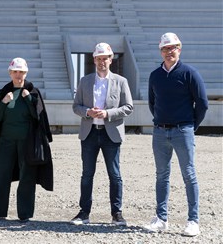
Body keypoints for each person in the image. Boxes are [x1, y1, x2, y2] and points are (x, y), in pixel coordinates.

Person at [146, 32, 208, 237]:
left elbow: (202, 104)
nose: (169, 51)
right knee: (161, 175)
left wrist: (190, 126)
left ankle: (193, 220)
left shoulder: (190, 73)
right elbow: (152, 103)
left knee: (189, 175)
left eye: (172, 47)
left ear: (179, 49)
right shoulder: (155, 75)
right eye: (165, 48)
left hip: (183, 130)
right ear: (160, 51)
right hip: (160, 132)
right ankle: (161, 218)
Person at [0, 58, 53, 223]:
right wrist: (4, 103)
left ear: (26, 73)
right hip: (6, 141)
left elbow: (38, 117)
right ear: (10, 73)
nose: (19, 75)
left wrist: (28, 100)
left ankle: (24, 213)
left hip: (27, 142)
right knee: (0, 174)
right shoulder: (4, 92)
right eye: (16, 72)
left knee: (27, 176)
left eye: (22, 72)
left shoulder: (33, 92)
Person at [70, 43, 133, 226]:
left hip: (110, 134)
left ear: (110, 59)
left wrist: (108, 114)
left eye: (105, 58)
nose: (101, 61)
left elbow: (128, 107)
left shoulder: (121, 81)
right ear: (94, 60)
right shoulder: (85, 81)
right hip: (89, 133)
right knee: (87, 174)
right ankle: (84, 213)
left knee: (114, 174)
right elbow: (76, 106)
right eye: (98, 58)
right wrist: (88, 112)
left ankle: (117, 213)